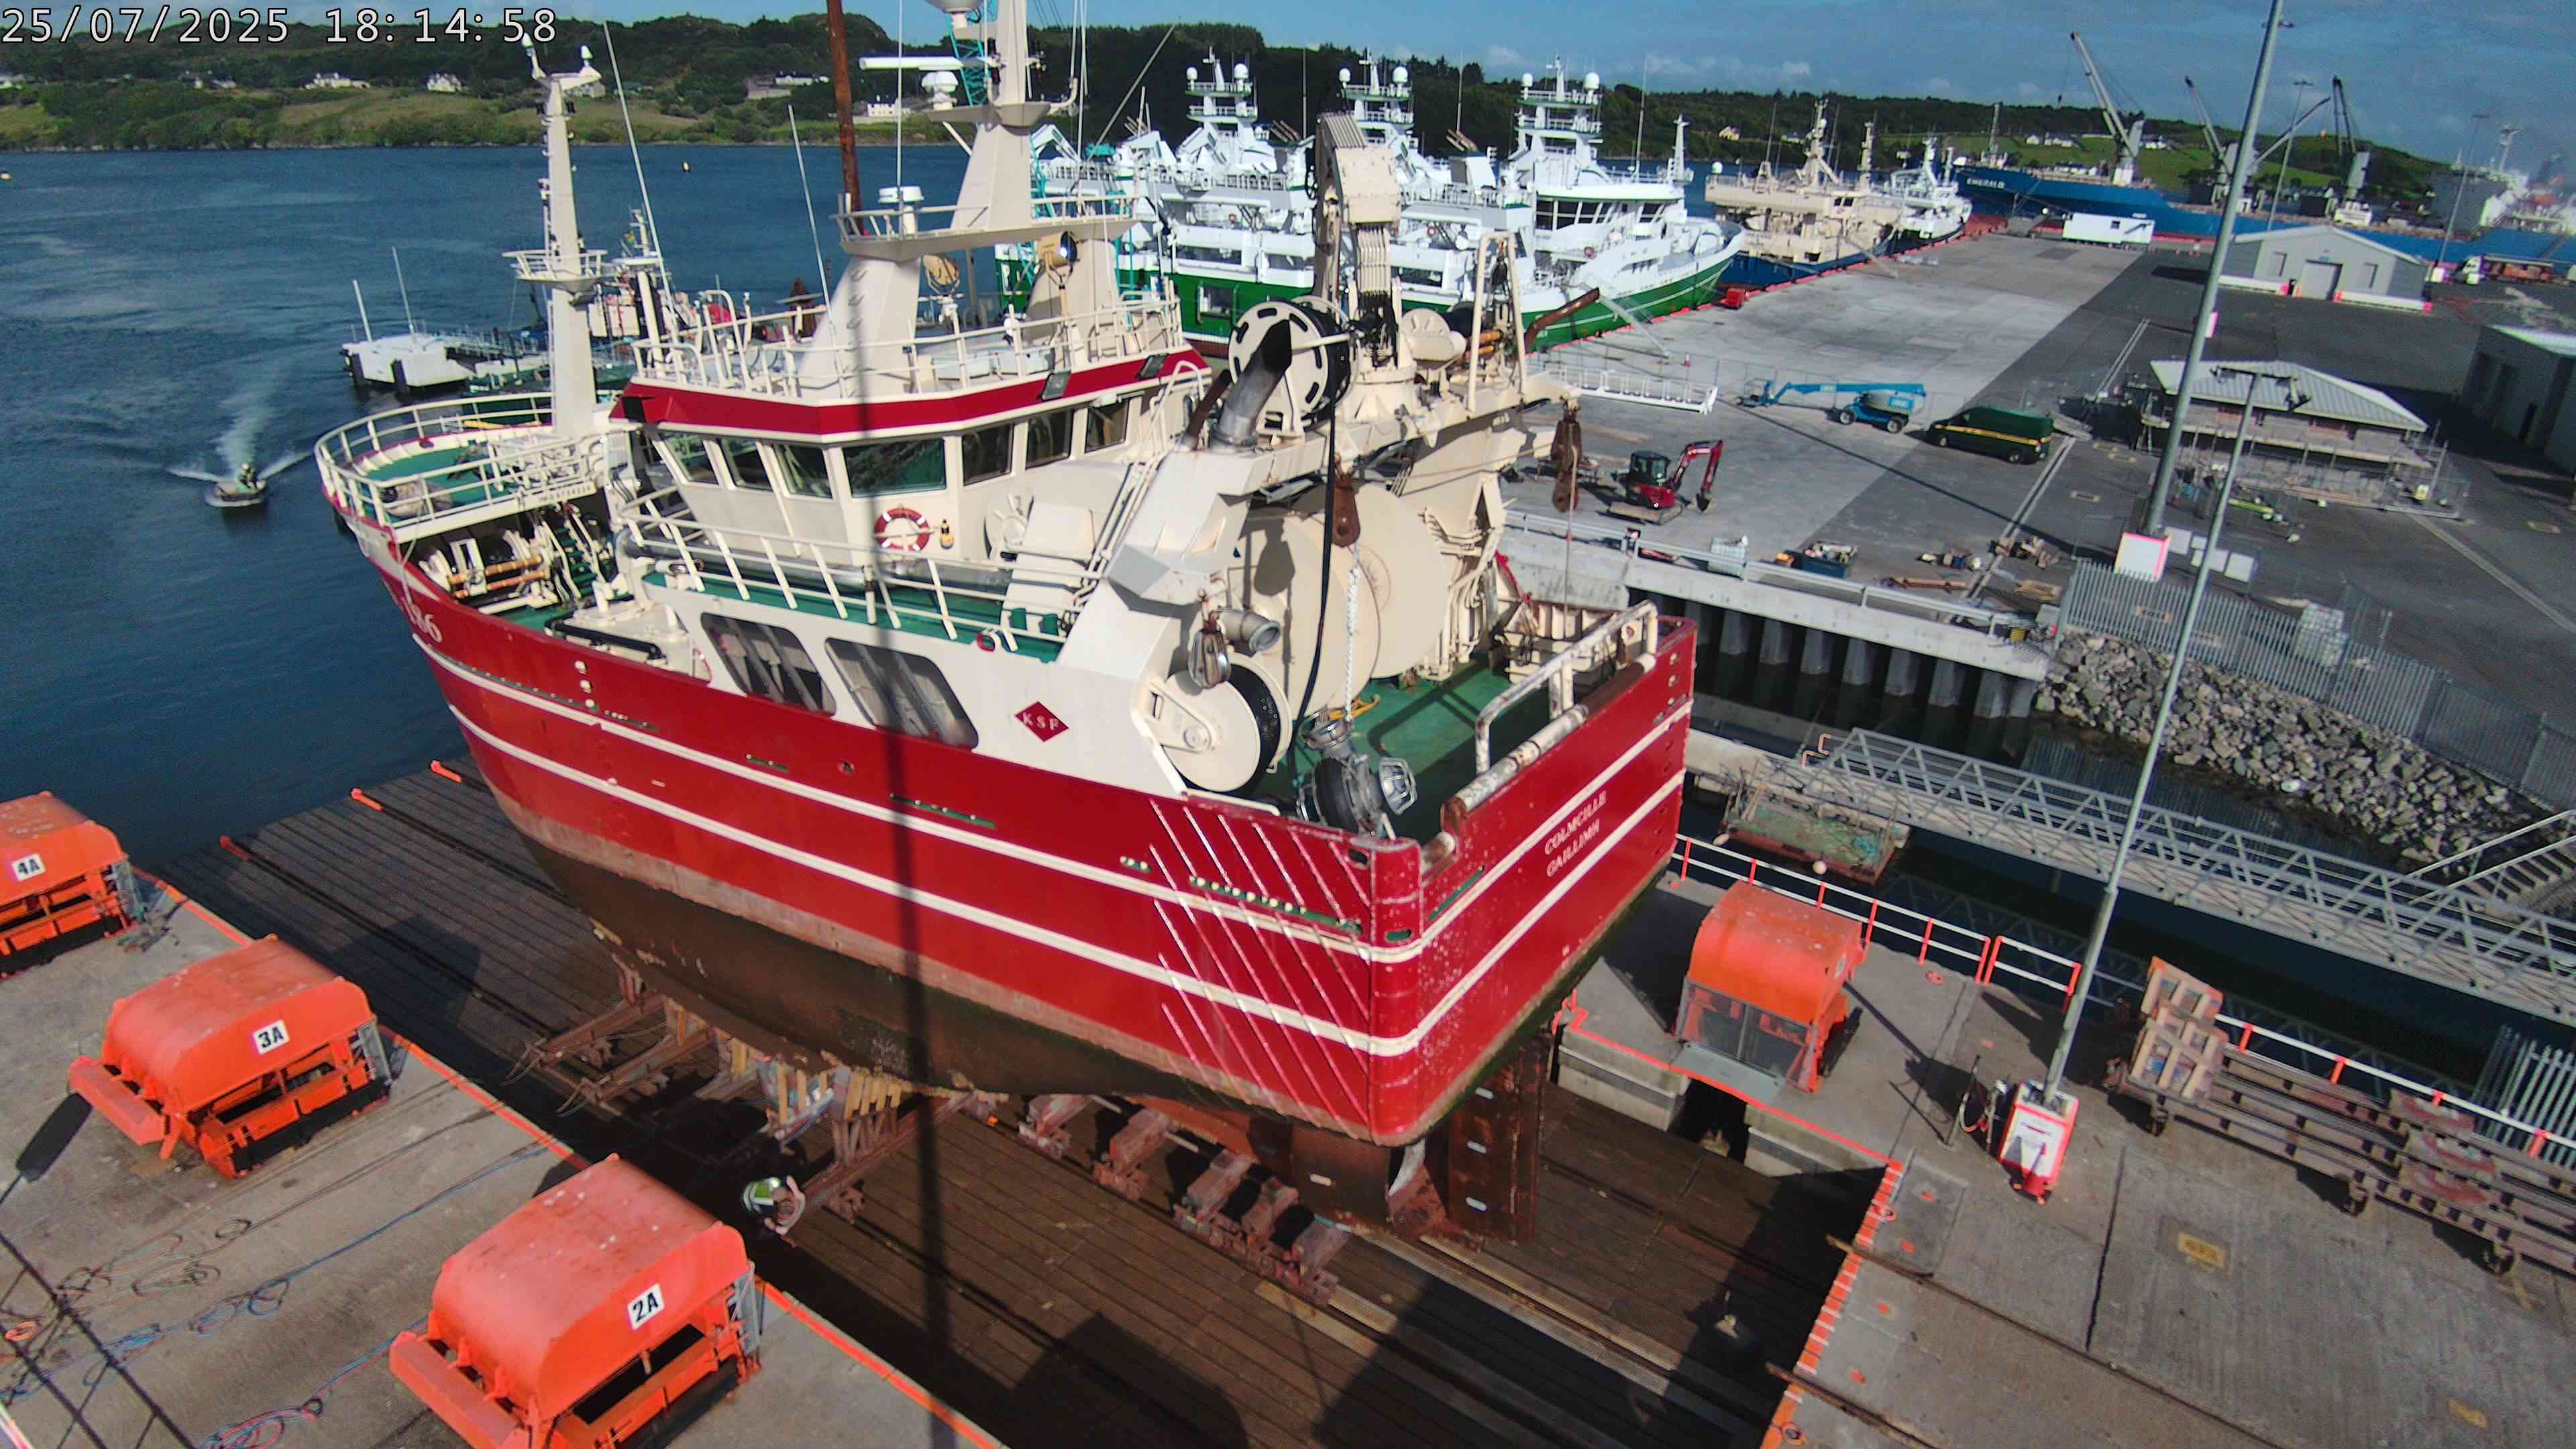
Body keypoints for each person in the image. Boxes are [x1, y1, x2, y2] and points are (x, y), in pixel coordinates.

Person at [741, 1175, 805, 1236]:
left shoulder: (775, 1182)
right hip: (748, 1202)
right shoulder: (768, 1206)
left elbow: (788, 1179)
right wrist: (777, 1229)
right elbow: (767, 1221)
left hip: (756, 1186)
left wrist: (797, 1192)